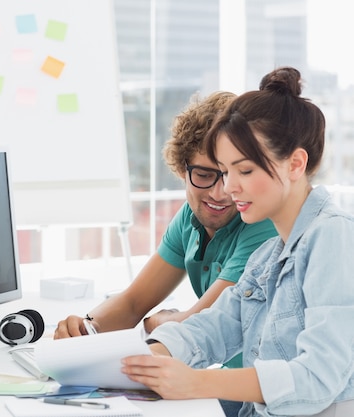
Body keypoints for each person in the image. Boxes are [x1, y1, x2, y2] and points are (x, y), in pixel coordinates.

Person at [121, 67, 354, 417]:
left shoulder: (333, 237)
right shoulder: (268, 256)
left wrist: (196, 383)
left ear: (295, 163)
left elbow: (317, 378)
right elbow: (214, 328)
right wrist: (139, 363)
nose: (228, 187)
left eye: (243, 171)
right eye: (225, 171)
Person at [54, 91, 277, 417]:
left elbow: (204, 324)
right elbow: (133, 302)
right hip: (224, 378)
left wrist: (161, 324)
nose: (220, 193)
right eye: (203, 174)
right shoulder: (190, 217)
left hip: (256, 391)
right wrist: (88, 329)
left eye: (230, 174)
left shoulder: (262, 225)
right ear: (182, 168)